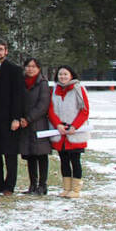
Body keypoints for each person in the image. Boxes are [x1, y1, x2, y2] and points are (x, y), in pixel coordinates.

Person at [0, 38, 24, 195]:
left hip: (9, 119)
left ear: (6, 51)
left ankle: (9, 186)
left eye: (1, 49)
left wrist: (16, 117)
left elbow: (18, 96)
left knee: (10, 155)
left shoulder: (14, 70)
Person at [48, 65, 90, 198]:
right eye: (60, 74)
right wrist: (57, 124)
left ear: (71, 75)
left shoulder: (79, 89)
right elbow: (50, 110)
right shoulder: (54, 90)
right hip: (60, 132)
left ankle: (76, 189)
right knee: (64, 160)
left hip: (74, 132)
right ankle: (66, 188)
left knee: (75, 160)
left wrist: (74, 126)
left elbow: (84, 110)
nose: (63, 77)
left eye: (65, 74)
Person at [19, 57, 52, 195]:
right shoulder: (21, 82)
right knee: (30, 155)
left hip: (39, 123)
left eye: (33, 66)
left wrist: (29, 118)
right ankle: (32, 184)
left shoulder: (42, 83)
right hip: (25, 125)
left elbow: (43, 105)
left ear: (38, 68)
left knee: (41, 155)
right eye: (28, 66)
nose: (30, 69)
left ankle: (42, 185)